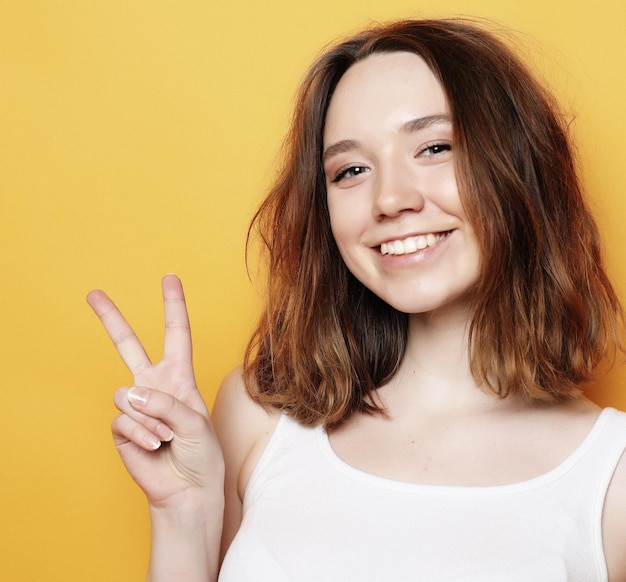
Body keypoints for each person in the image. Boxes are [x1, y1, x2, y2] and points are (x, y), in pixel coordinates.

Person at [87, 18, 626, 581]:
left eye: (435, 146)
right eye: (351, 170)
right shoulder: (260, 419)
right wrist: (182, 513)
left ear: (519, 165)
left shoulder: (612, 478)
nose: (390, 199)